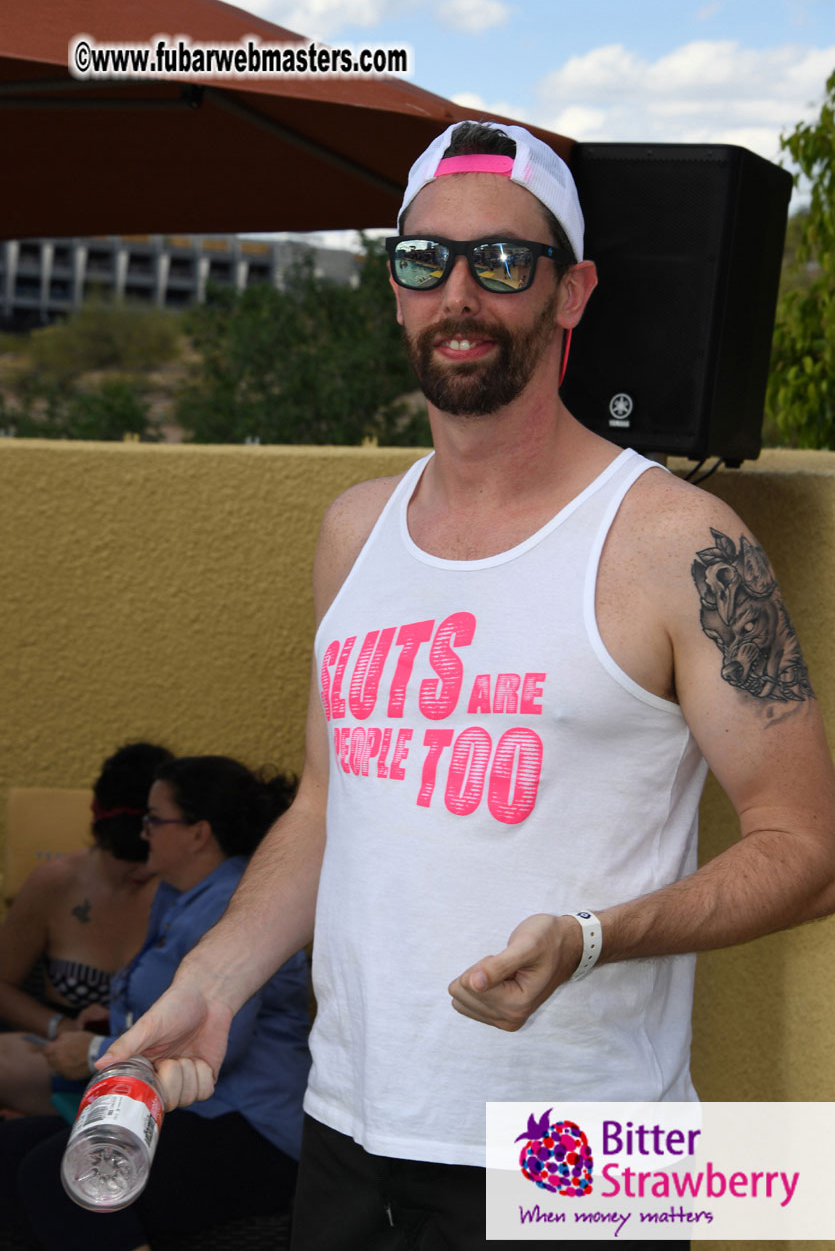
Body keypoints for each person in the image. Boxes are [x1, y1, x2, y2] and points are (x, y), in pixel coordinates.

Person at [95, 122, 835, 1250]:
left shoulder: (678, 542)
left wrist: (594, 935)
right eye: (422, 260)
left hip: (581, 1153)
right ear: (392, 292)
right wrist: (214, 977)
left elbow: (808, 847)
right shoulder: (355, 531)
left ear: (571, 292)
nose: (458, 292)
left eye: (501, 261)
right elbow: (329, 806)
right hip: (350, 1124)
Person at [0, 754, 311, 1250]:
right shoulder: (177, 894)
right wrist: (112, 1019)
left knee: (54, 1178)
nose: (142, 831)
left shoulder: (233, 902)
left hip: (251, 1129)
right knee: (11, 1151)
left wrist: (91, 1050)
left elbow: (220, 1042)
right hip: (180, 1105)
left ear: (197, 834)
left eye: (154, 819)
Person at [0, 742, 171, 1115]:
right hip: (65, 1057)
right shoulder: (55, 883)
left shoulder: (188, 894)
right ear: (99, 833)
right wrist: (60, 1028)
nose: (139, 873)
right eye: (123, 857)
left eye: (149, 857)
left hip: (156, 1068)